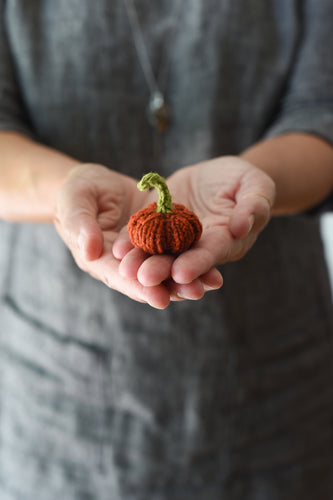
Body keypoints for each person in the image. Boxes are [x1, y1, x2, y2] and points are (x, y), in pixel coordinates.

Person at [0, 0, 332, 498]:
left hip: (276, 390)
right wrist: (67, 190)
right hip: (58, 400)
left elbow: (323, 110)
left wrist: (259, 182)